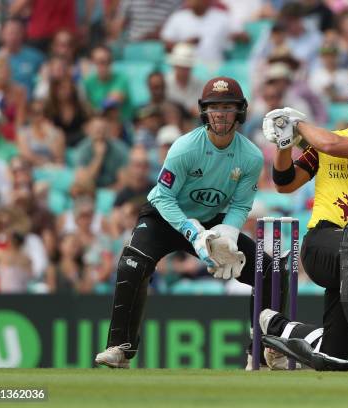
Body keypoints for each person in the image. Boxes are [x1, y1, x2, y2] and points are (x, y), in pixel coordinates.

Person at [95, 77, 283, 369]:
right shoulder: (184, 148)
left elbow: (241, 204)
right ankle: (120, 347)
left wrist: (228, 233)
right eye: (215, 107)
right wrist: (190, 231)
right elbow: (164, 196)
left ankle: (259, 350)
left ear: (240, 112)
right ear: (204, 112)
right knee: (132, 264)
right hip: (167, 216)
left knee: (267, 270)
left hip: (213, 221)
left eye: (228, 107)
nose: (221, 114)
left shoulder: (251, 157)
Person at [259, 69, 348, 372]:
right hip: (322, 246)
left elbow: (333, 147)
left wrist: (297, 124)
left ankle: (276, 326)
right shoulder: (326, 142)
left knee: (333, 355)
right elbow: (284, 183)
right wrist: (284, 143)